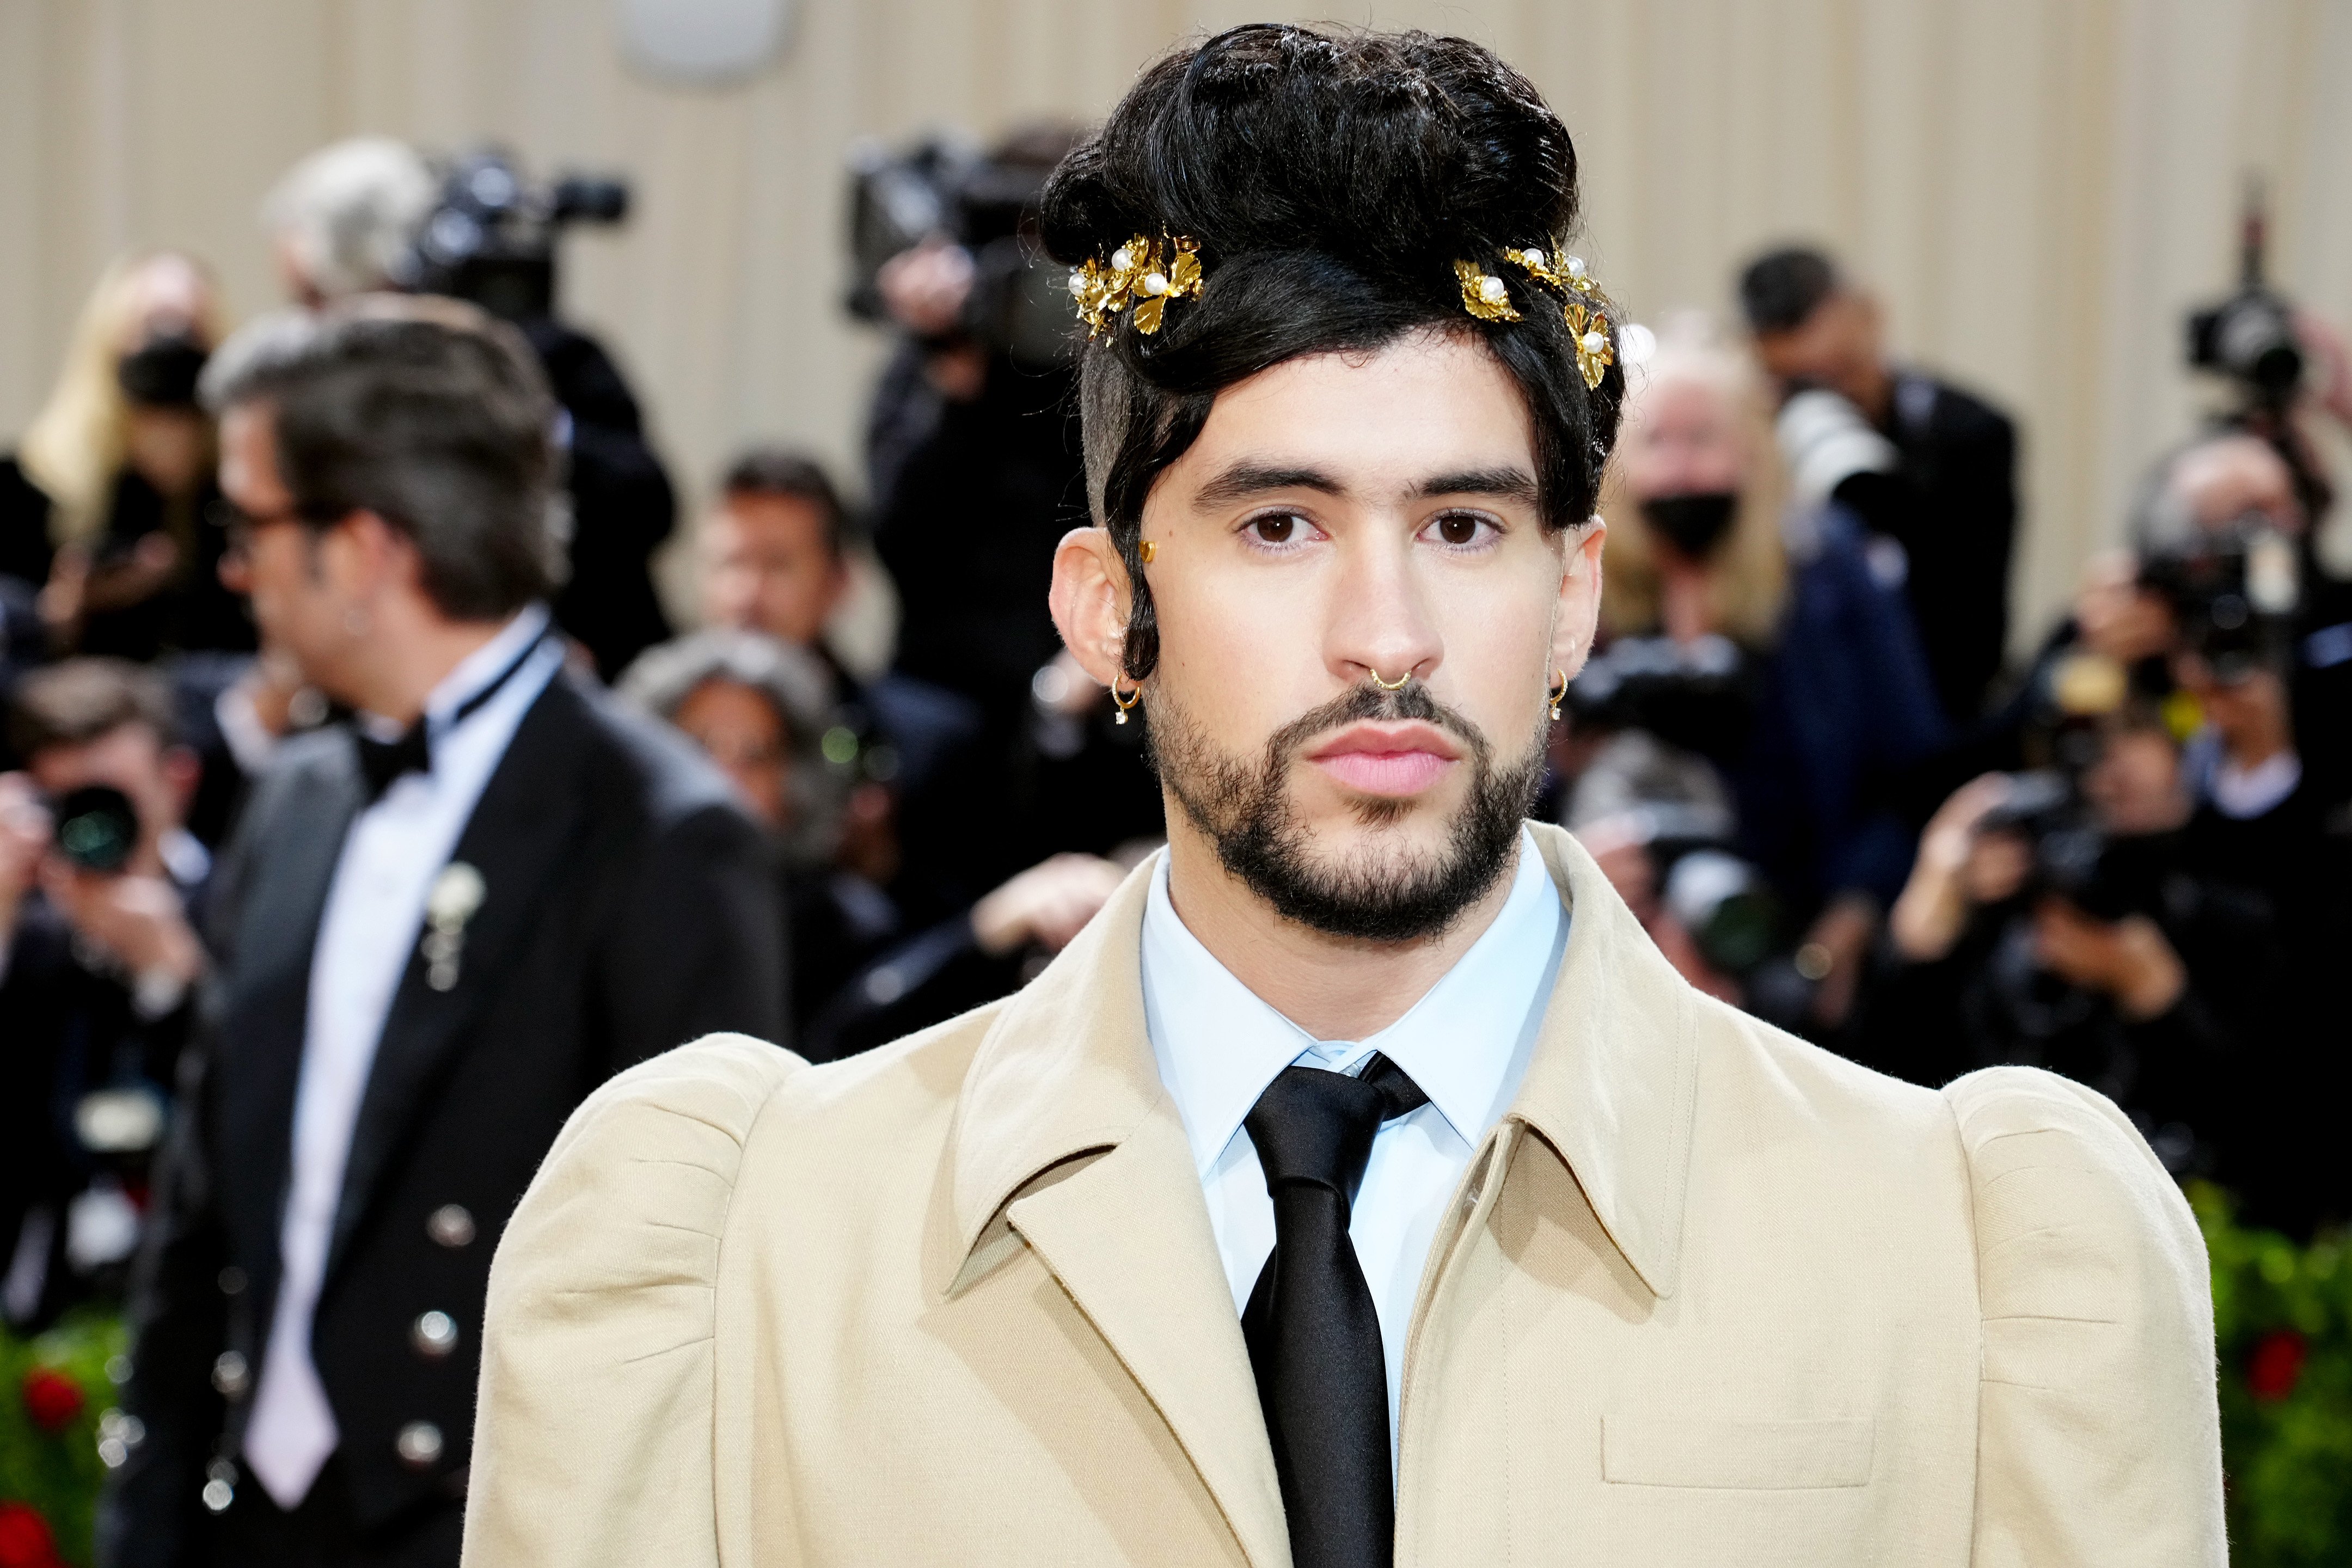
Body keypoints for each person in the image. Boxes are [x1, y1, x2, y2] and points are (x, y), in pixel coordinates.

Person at [465, 25, 2221, 1568]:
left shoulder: (1965, 1250)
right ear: (1108, 613)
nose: (1385, 635)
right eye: (1277, 526)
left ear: (1574, 596)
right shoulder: (755, 1251)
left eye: (1462, 527)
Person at [99, 297, 783, 1568]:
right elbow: (204, 1209)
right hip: (244, 1523)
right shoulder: (293, 797)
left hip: (496, 1528)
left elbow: (704, 1296)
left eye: (248, 526)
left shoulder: (663, 833)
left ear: (361, 548)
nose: (233, 569)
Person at [1573, 317, 1947, 1032]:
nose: (1680, 469)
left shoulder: (1830, 580)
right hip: (1627, 969)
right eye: (1656, 442)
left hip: (1800, 963)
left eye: (1703, 438)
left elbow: (1913, 774)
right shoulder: (1581, 593)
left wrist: (1849, 921)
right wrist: (1577, 869)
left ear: (1750, 449)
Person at [620, 627, 1127, 1060]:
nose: (722, 777)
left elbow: (851, 1043)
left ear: (795, 786)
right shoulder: (608, 901)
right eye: (700, 746)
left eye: (754, 756)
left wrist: (990, 927)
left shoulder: (833, 919)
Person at [1, 661, 211, 1330]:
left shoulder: (244, 912)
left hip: (193, 1307)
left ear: (178, 782)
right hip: (40, 1313)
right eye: (68, 807)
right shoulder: (25, 937)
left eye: (112, 801)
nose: (93, 835)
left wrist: (173, 978)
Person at [1740, 245, 2020, 728]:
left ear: (1868, 316)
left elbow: (1977, 630)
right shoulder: (1743, 440)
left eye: (1839, 373)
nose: (1827, 401)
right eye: (1797, 384)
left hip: (1932, 703)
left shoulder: (1970, 434)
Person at [5, 252, 250, 661]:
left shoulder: (242, 486)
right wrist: (61, 613)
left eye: (190, 329)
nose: (170, 344)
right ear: (107, 346)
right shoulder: (31, 482)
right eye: (151, 326)